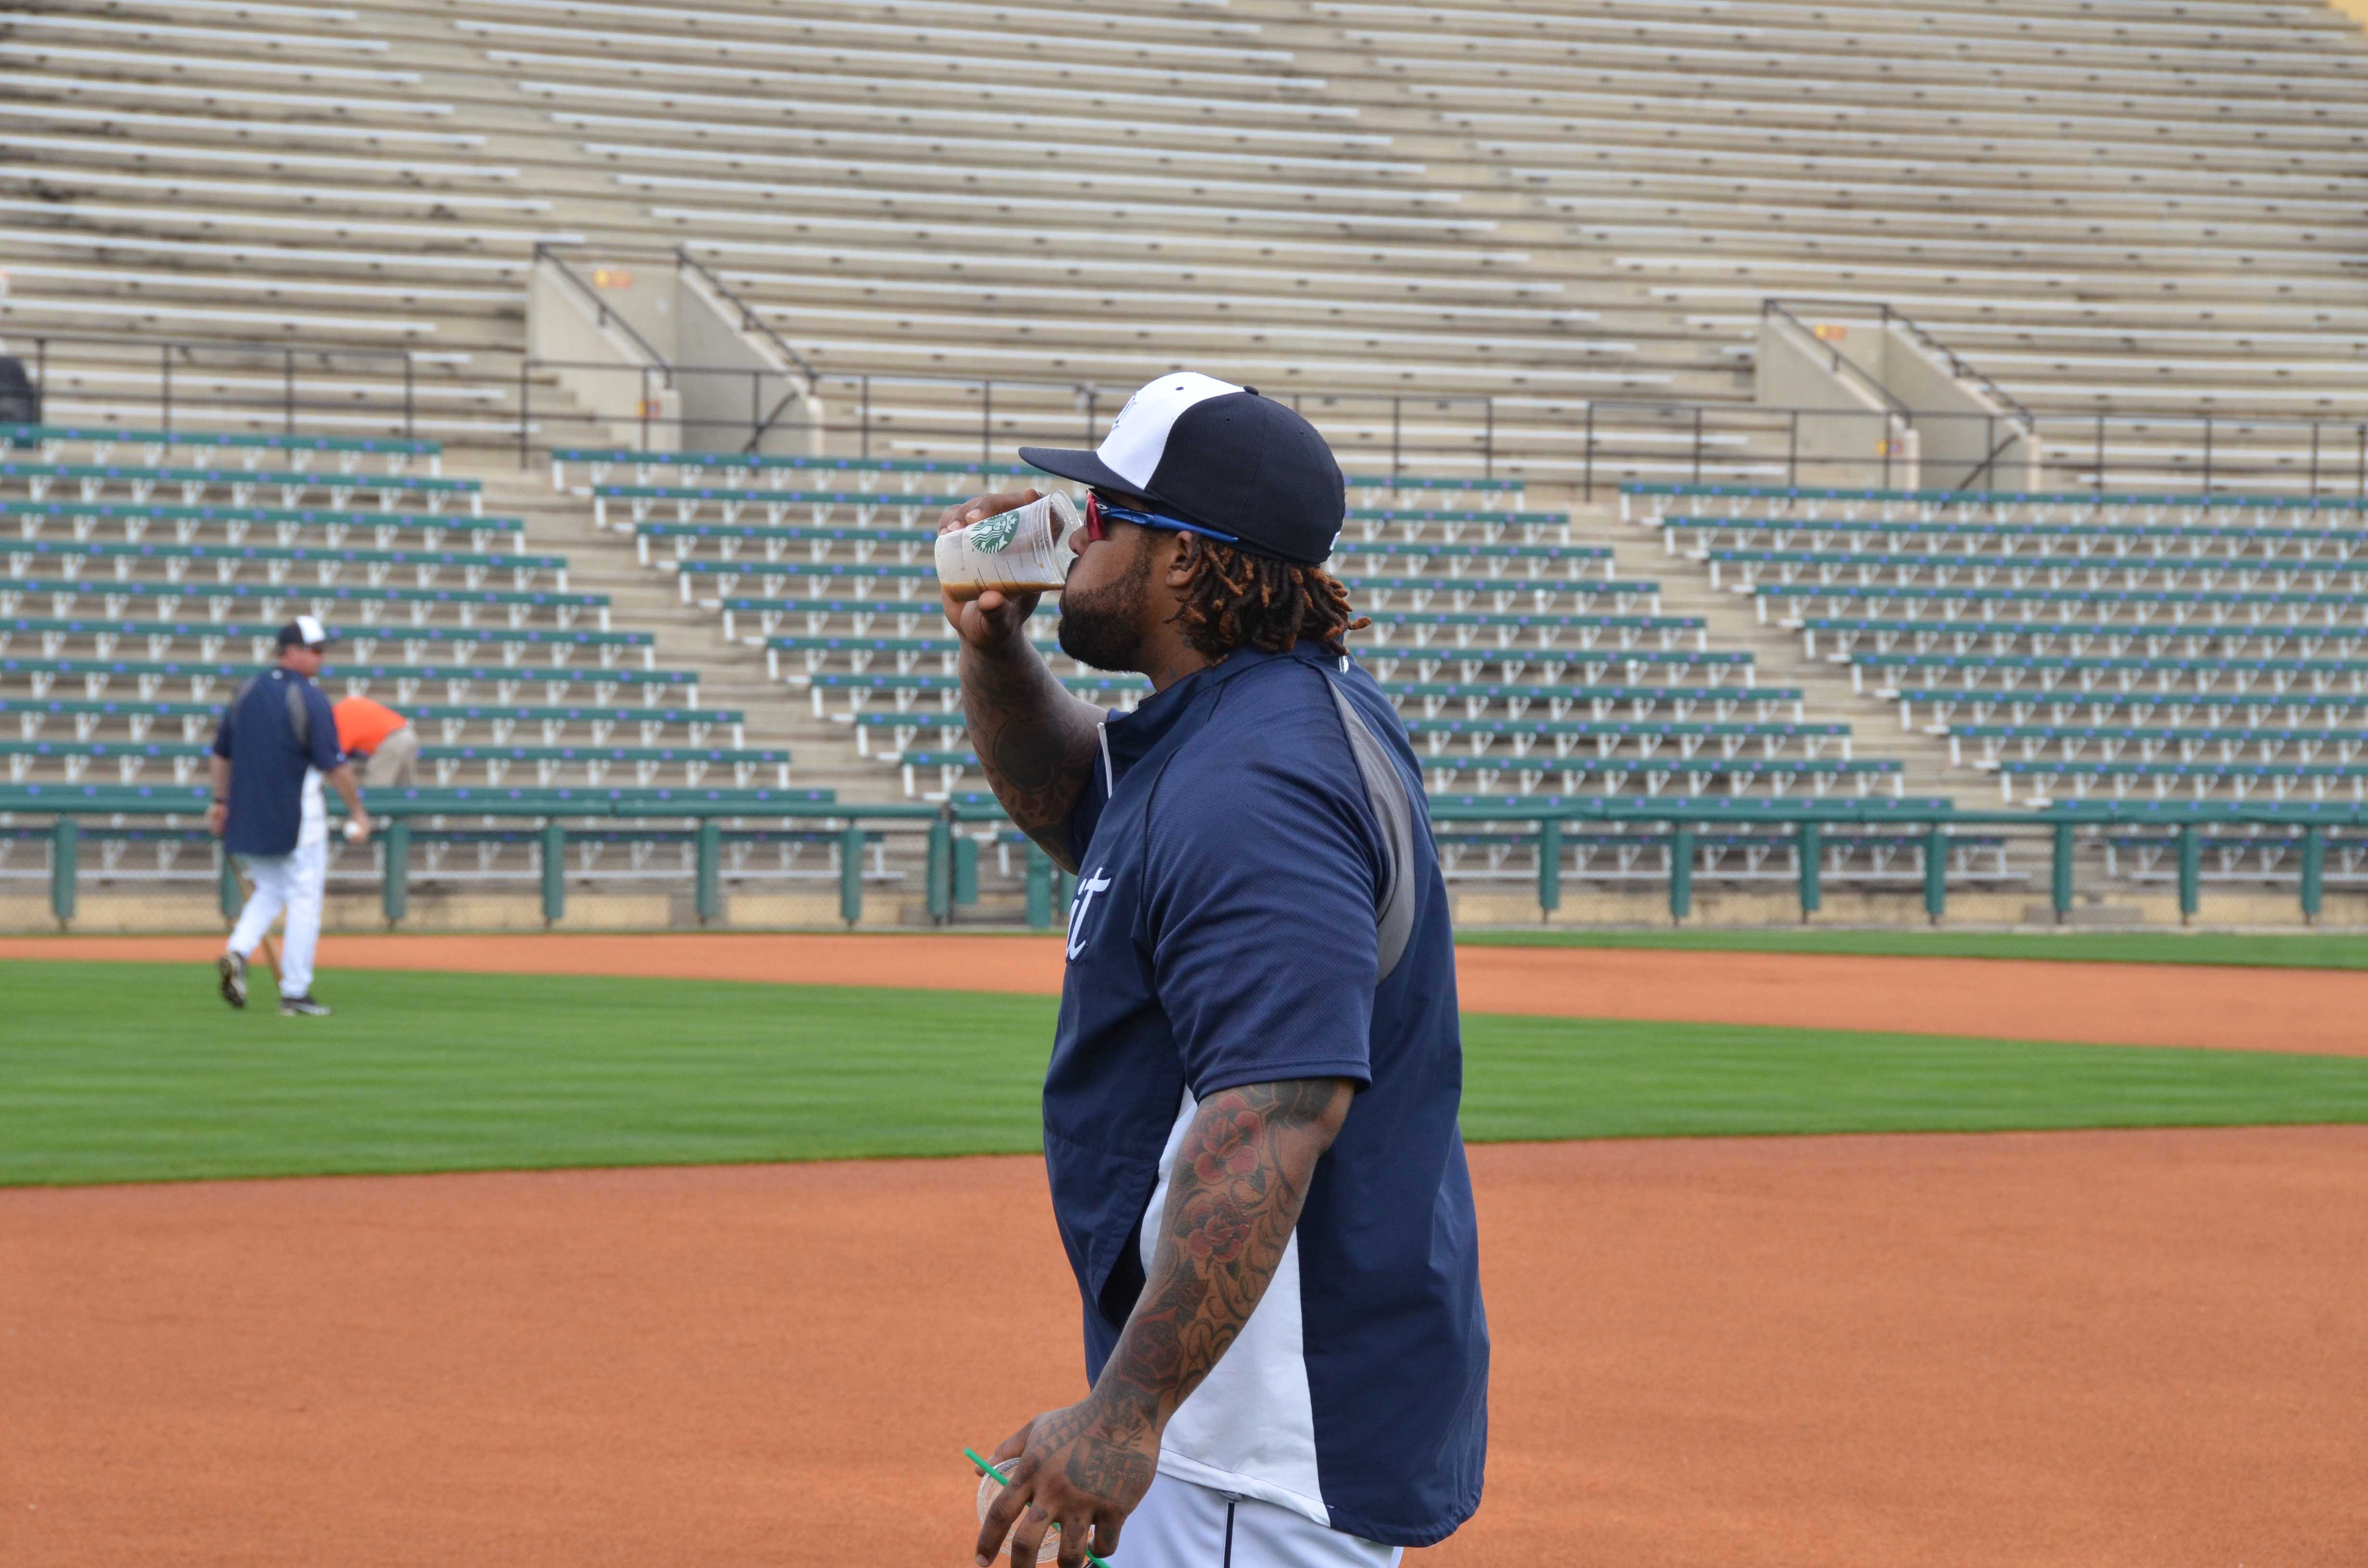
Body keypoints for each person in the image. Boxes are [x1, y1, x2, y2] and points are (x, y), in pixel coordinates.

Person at [953, 373, 1487, 1568]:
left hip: (1252, 1447)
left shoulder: (1260, 788)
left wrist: (1126, 1412)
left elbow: (1272, 1111)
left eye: (1107, 516)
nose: (1072, 533)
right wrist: (994, 649)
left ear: (1190, 562)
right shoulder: (1241, 729)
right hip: (1241, 1426)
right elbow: (1079, 813)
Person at [207, 615, 371, 1017]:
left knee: (272, 890)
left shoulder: (246, 690)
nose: (321, 658)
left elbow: (220, 754)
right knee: (305, 902)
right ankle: (295, 993)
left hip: (249, 814)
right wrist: (358, 812)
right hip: (300, 818)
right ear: (291, 652)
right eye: (315, 651)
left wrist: (221, 802)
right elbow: (336, 767)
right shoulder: (310, 698)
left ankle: (238, 952)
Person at [333, 693, 420, 787]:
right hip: (408, 734)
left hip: (392, 741)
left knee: (377, 789)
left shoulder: (338, 718)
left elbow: (337, 756)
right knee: (405, 789)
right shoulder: (346, 705)